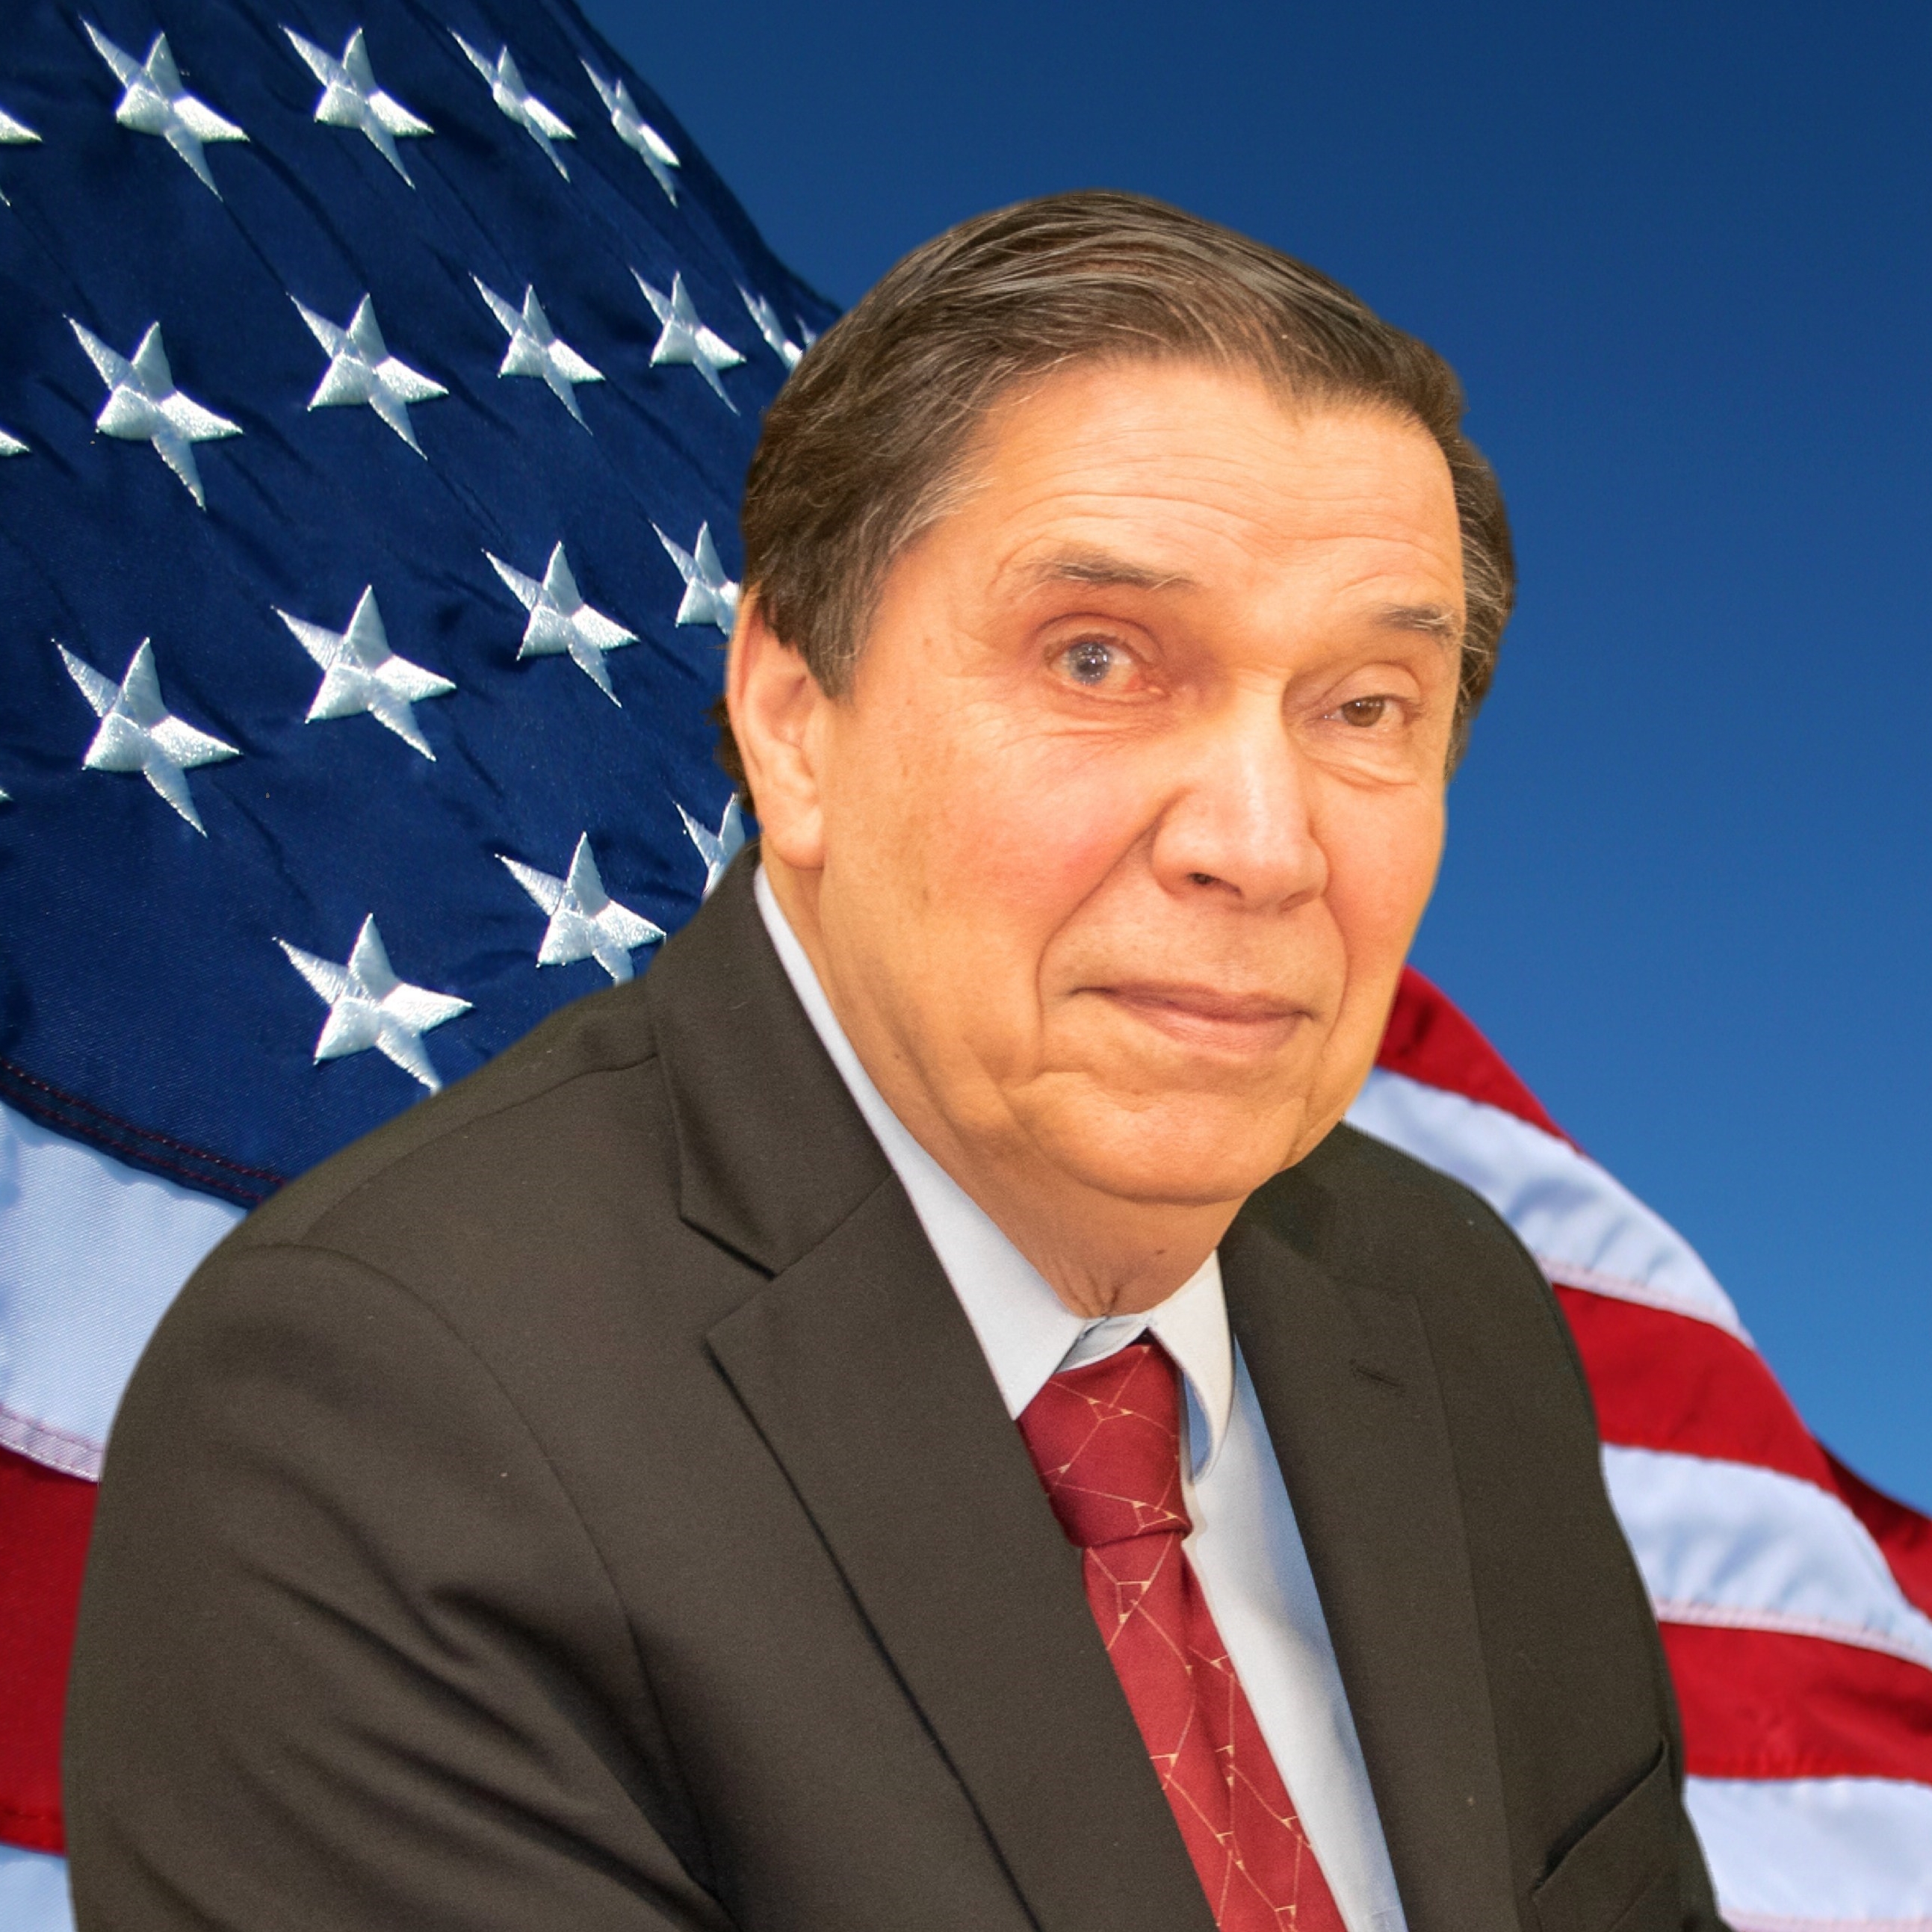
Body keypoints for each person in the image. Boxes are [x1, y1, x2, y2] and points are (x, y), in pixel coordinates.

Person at [65, 191, 1722, 1932]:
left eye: (1367, 706)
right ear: (794, 722)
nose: (1261, 842)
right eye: (1099, 660)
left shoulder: (1448, 1303)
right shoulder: (379, 1416)